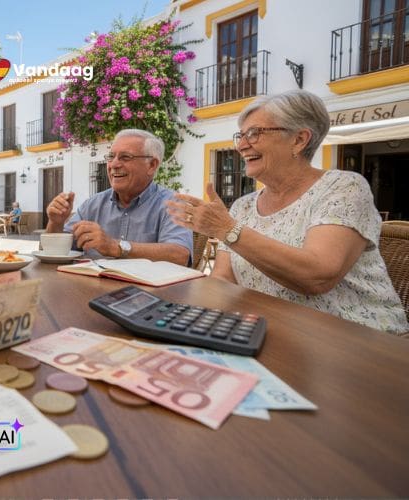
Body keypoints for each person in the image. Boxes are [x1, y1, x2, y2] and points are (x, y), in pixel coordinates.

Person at [166, 90, 408, 333]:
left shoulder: (344, 187)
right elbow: (223, 280)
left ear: (299, 140)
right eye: (240, 135)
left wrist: (227, 229)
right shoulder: (244, 205)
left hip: (358, 339)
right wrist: (175, 312)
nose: (241, 145)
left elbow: (318, 276)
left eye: (254, 133)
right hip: (270, 331)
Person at [45, 129, 192, 264]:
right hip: (92, 289)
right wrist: (55, 223)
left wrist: (116, 247)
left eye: (125, 157)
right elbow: (55, 253)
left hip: (147, 291)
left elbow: (180, 255)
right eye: (111, 156)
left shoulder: (173, 204)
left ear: (152, 165)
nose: (113, 164)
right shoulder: (93, 204)